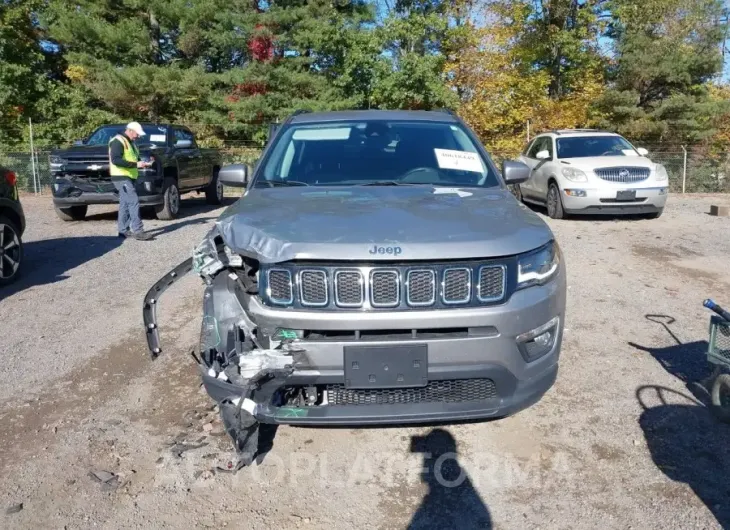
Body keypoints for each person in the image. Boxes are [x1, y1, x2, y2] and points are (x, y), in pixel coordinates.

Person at [109, 122, 154, 240]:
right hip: (121, 176)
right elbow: (116, 160)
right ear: (130, 130)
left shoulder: (132, 143)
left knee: (125, 204)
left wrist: (144, 163)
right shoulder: (118, 141)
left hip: (129, 176)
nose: (138, 136)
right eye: (137, 134)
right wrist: (136, 164)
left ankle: (123, 231)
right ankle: (138, 231)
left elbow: (135, 159)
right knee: (133, 202)